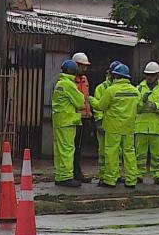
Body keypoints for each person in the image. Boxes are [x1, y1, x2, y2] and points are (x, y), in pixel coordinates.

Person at [91, 63, 140, 188]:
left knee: (112, 153)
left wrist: (90, 99)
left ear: (116, 76)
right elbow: (139, 107)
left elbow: (100, 106)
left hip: (113, 127)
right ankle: (131, 180)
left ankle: (110, 180)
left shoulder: (110, 90)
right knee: (129, 153)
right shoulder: (135, 91)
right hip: (129, 127)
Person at [134, 61, 159, 185]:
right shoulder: (138, 89)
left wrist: (155, 106)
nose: (149, 77)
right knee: (139, 153)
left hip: (157, 128)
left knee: (158, 154)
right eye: (147, 75)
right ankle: (138, 175)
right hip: (141, 127)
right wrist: (142, 104)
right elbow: (134, 106)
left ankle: (158, 175)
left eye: (151, 75)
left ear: (158, 75)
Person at [52, 59, 86, 188]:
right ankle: (66, 177)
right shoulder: (68, 84)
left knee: (60, 150)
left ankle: (60, 176)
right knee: (67, 149)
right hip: (68, 121)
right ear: (72, 71)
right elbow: (80, 102)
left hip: (59, 120)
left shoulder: (59, 83)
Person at [94, 60, 122, 179]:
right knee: (103, 152)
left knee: (117, 152)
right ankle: (103, 175)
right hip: (105, 125)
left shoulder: (120, 87)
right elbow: (98, 107)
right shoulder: (101, 88)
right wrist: (99, 123)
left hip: (116, 125)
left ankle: (115, 175)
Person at [71, 52, 94, 183]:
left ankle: (77, 171)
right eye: (82, 66)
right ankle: (75, 172)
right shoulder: (70, 81)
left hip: (85, 117)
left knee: (80, 146)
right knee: (73, 146)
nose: (84, 69)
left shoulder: (84, 80)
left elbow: (86, 98)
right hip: (75, 118)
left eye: (85, 66)